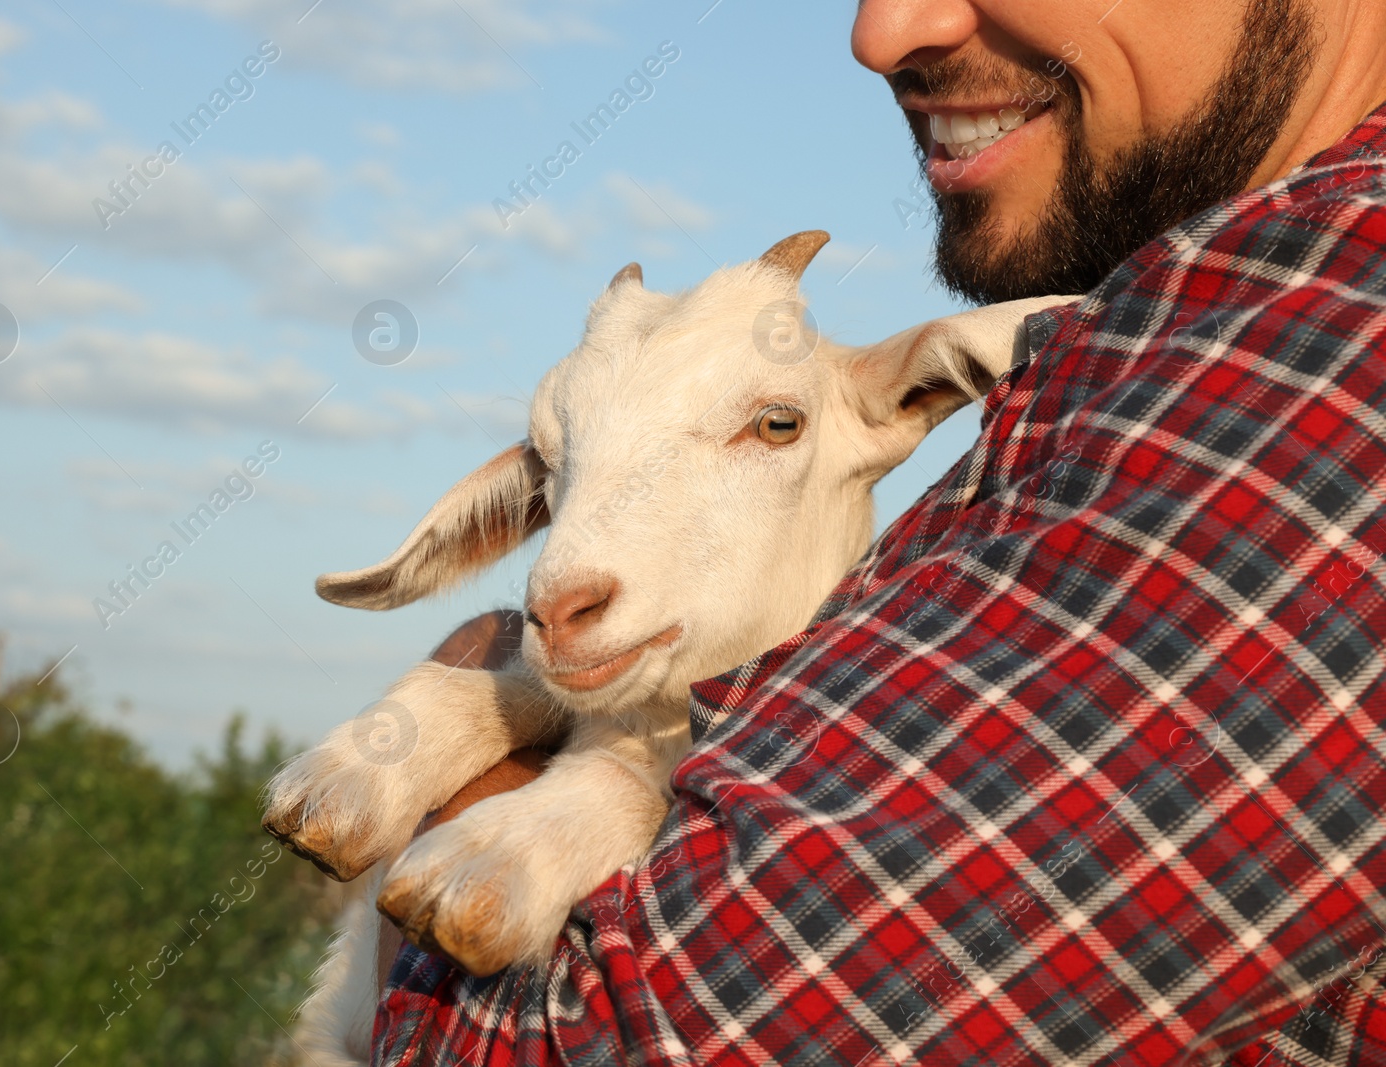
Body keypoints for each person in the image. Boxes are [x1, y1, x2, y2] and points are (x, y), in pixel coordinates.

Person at [373, 1, 1386, 1062]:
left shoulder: (1326, 351)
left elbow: (591, 1041)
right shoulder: (1182, 347)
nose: (883, 31)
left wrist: (484, 692)